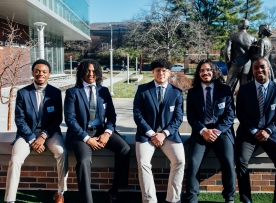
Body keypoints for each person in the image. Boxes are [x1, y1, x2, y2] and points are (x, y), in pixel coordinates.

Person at [64, 59, 131, 203]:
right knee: (84, 161)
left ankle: (114, 191)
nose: (91, 74)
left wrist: (107, 132)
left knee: (125, 149)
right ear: (81, 72)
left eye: (94, 71)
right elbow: (70, 120)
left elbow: (112, 115)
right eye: (87, 70)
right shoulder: (72, 92)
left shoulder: (103, 91)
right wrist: (87, 139)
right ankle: (87, 200)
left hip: (101, 131)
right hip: (81, 134)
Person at [4, 59, 68, 203]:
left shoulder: (56, 93)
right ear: (33, 73)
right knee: (15, 159)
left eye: (44, 72)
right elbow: (19, 120)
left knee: (62, 152)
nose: (40, 74)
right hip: (27, 135)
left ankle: (60, 193)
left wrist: (43, 136)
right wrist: (33, 139)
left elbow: (57, 118)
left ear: (49, 74)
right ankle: (10, 199)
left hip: (50, 134)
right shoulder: (23, 93)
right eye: (37, 71)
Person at [235, 58, 276, 203]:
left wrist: (269, 130)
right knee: (241, 161)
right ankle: (246, 199)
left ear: (269, 68)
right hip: (248, 133)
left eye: (262, 67)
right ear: (252, 71)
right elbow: (240, 112)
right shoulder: (245, 89)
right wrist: (254, 131)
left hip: (272, 133)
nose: (259, 70)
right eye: (255, 68)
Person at [133, 58, 185, 203]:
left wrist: (164, 133)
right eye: (158, 70)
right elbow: (138, 115)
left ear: (169, 73)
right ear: (153, 72)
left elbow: (178, 118)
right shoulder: (143, 90)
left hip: (169, 135)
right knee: (143, 162)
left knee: (180, 160)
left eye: (164, 70)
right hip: (146, 135)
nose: (161, 73)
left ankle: (173, 199)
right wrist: (151, 133)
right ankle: (150, 200)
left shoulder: (176, 92)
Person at [185, 59, 236, 203]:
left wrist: (216, 131)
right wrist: (203, 131)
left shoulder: (225, 90)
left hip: (222, 131)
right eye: (201, 70)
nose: (205, 73)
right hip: (201, 132)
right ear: (198, 73)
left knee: (228, 161)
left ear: (214, 71)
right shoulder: (193, 92)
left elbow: (230, 115)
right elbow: (191, 117)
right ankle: (192, 198)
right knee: (194, 162)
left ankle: (229, 197)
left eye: (208, 70)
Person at [224, 19, 257, 92]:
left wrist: (228, 63)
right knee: (245, 90)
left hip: (235, 64)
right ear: (247, 27)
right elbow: (254, 55)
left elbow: (226, 52)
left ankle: (227, 103)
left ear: (238, 26)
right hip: (247, 67)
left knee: (228, 88)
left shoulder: (232, 37)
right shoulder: (253, 39)